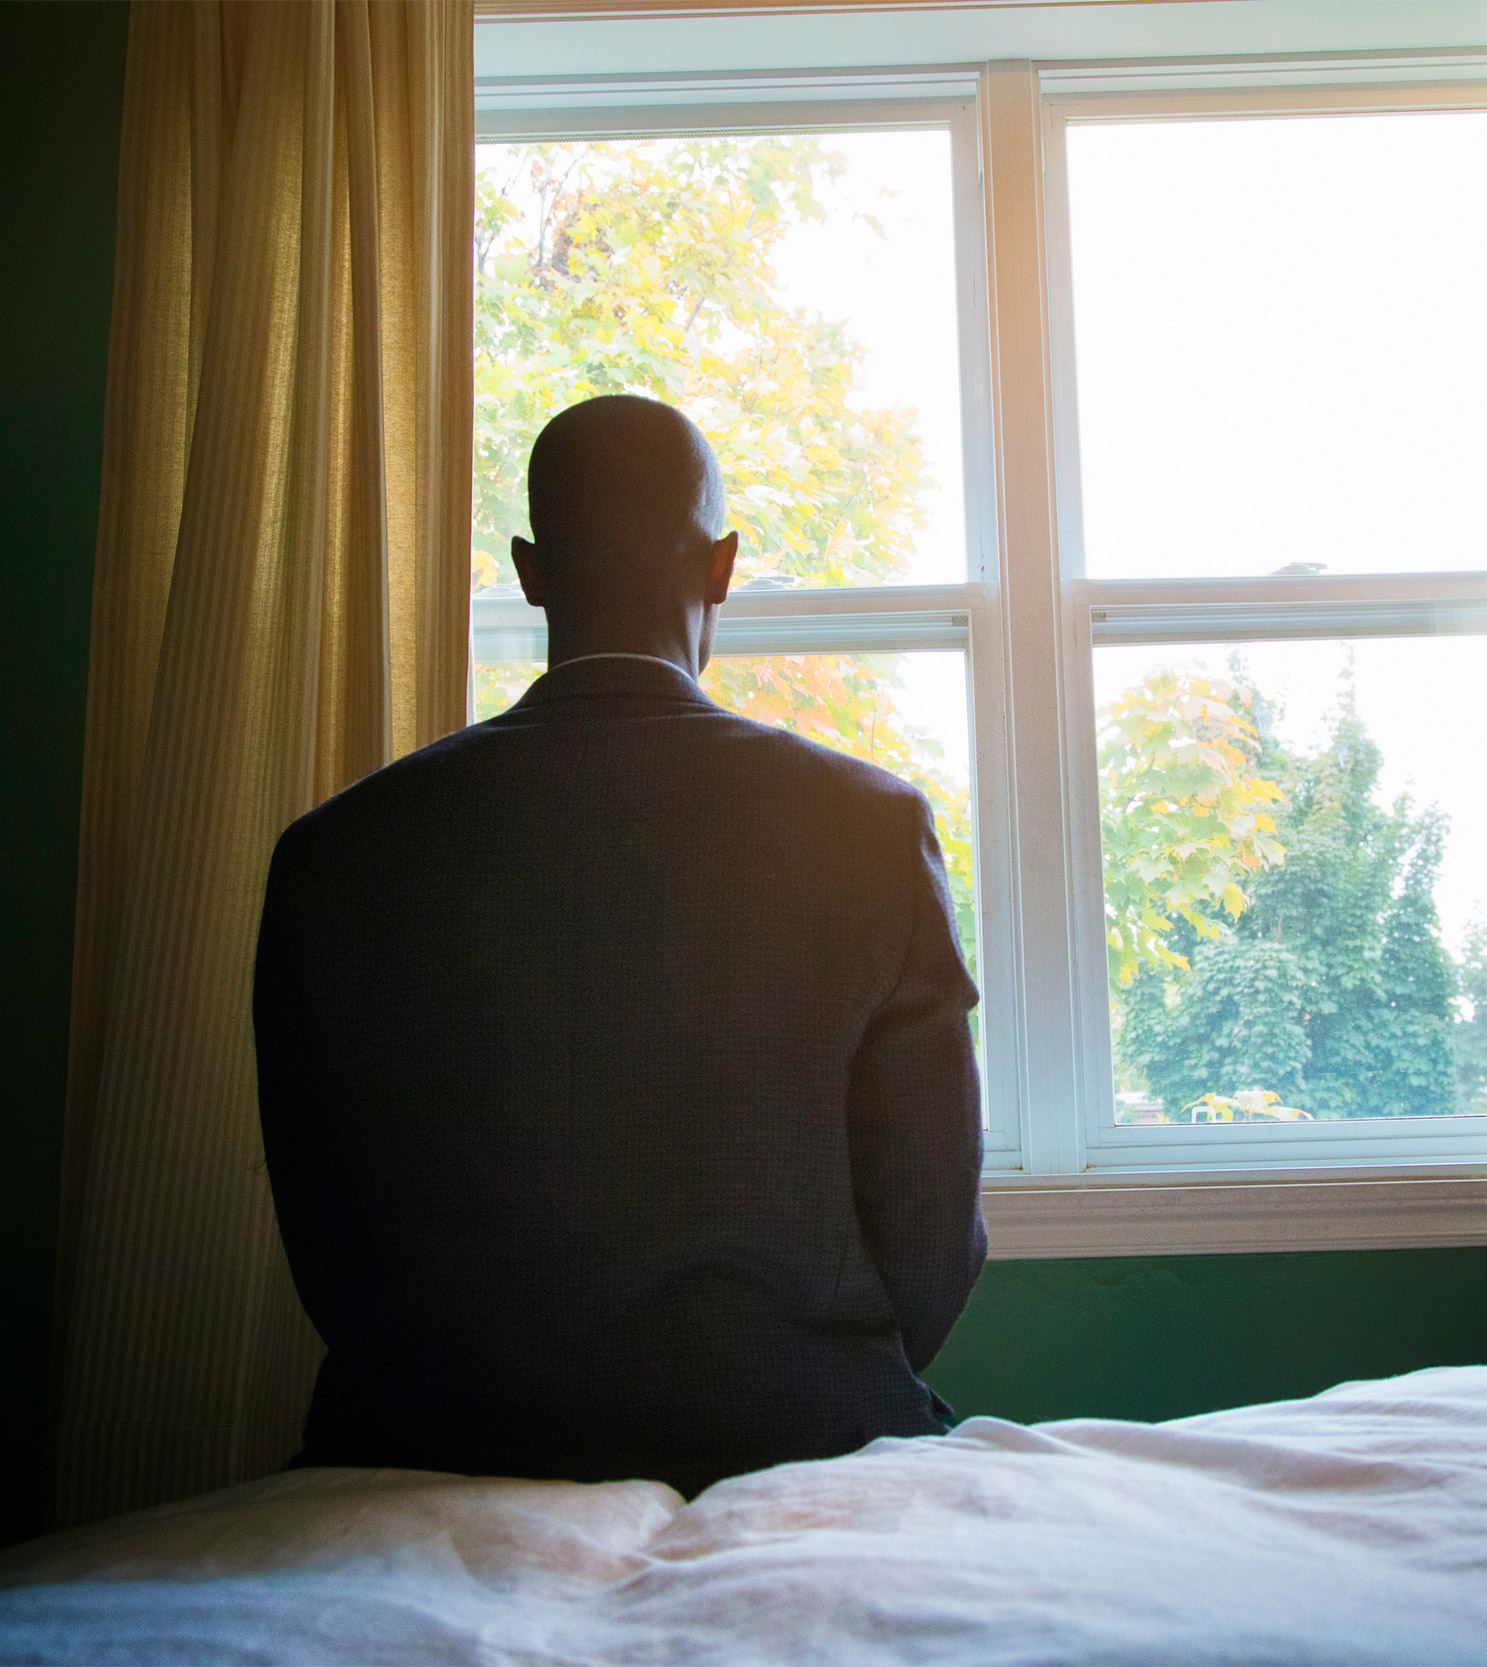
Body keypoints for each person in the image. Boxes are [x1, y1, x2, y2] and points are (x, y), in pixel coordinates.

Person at [254, 394, 986, 1497]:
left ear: (530, 570)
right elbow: (931, 1232)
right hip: (802, 1433)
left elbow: (327, 1239)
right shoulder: (866, 829)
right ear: (725, 566)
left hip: (429, 1446)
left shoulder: (335, 855)